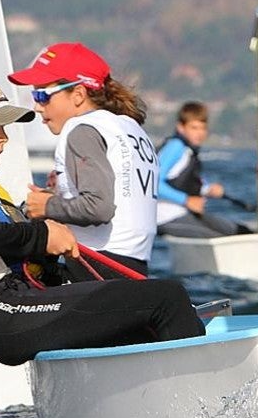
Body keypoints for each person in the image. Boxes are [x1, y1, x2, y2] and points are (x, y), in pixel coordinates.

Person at [0, 71, 205, 366]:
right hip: (1, 311)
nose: (2, 138)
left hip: (12, 303)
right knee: (166, 297)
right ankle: (204, 402)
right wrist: (44, 235)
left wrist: (42, 242)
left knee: (141, 319)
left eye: (4, 128)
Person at [8, 42, 159, 281]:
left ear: (78, 94)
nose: (37, 107)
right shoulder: (129, 127)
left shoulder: (81, 129)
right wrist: (53, 197)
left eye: (42, 95)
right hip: (133, 268)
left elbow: (99, 207)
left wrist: (45, 206)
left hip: (98, 267)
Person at [156, 102, 250, 238]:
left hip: (184, 213)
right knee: (224, 239)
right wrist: (186, 200)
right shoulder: (175, 147)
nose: (199, 133)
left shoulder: (189, 151)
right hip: (166, 217)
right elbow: (154, 183)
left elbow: (181, 181)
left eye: (203, 128)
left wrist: (207, 189)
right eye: (194, 128)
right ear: (181, 127)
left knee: (241, 231)